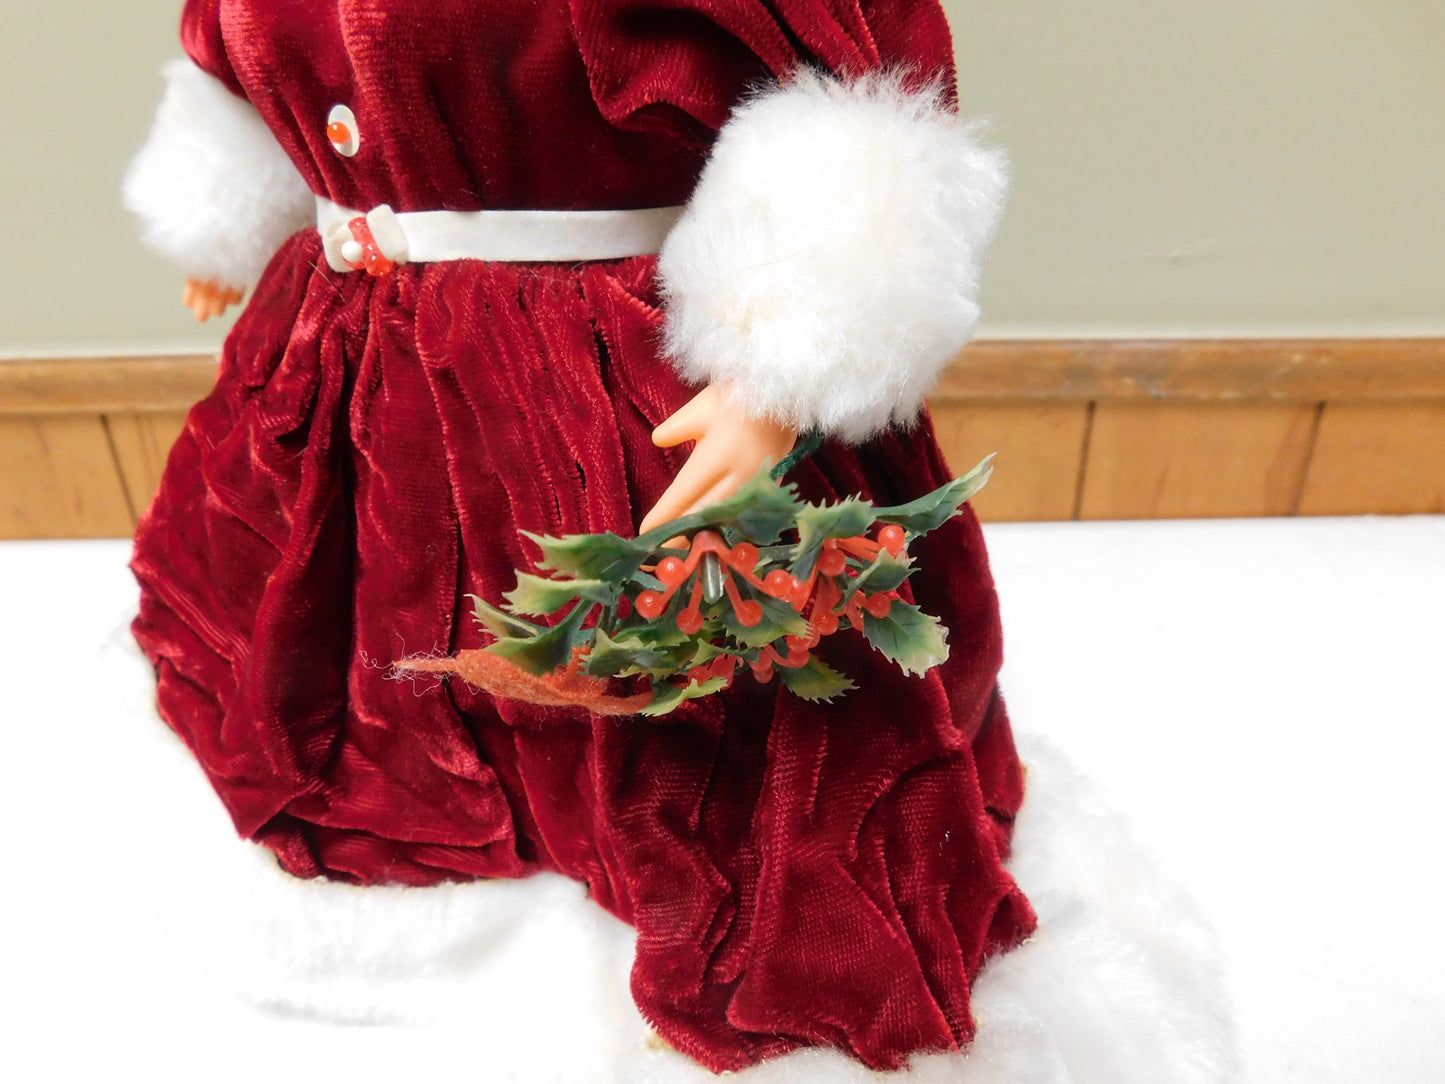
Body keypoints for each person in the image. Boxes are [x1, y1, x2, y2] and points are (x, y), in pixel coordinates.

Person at [125, 0, 1034, 1071]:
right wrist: (240, 203)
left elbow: (839, 80)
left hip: (598, 363)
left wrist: (785, 348)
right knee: (365, 602)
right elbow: (244, 52)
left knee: (678, 677)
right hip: (353, 341)